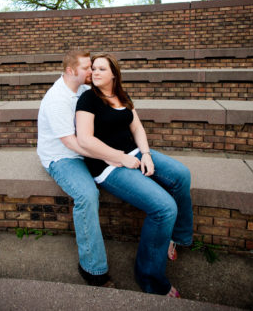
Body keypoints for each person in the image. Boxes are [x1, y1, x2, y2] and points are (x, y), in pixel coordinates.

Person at [76, 53, 193, 297]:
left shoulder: (122, 95)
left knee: (181, 174)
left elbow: (137, 126)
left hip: (134, 152)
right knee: (164, 208)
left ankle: (177, 237)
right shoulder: (88, 98)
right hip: (108, 166)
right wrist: (121, 158)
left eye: (101, 69)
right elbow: (85, 140)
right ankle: (150, 279)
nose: (95, 72)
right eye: (93, 68)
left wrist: (146, 154)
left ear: (114, 74)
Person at [37, 50, 138, 287]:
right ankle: (92, 268)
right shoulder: (56, 99)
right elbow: (71, 143)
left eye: (93, 67)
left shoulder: (83, 89)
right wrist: (113, 156)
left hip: (85, 149)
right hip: (63, 157)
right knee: (87, 195)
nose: (92, 71)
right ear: (71, 71)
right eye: (86, 68)